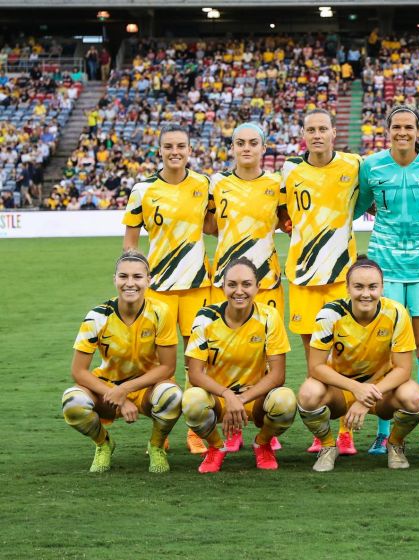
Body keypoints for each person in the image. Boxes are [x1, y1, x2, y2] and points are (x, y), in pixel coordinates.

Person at [355, 105, 419, 455]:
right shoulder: (371, 166)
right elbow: (359, 204)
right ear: (387, 130)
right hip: (385, 268)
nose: (402, 132)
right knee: (385, 352)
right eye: (396, 126)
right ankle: (383, 430)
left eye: (409, 127)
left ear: (418, 130)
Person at [122, 123, 213, 455]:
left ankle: (195, 429)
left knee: (196, 362)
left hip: (197, 286)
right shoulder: (142, 190)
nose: (175, 152)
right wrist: (133, 278)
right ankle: (160, 434)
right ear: (159, 150)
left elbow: (216, 225)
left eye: (181, 146)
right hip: (158, 288)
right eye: (169, 147)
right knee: (158, 363)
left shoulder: (203, 184)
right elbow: (131, 242)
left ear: (190, 150)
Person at [279, 108, 361, 456]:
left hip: (342, 278)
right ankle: (321, 431)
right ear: (303, 134)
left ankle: (345, 432)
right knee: (315, 360)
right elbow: (282, 214)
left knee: (342, 357)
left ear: (333, 132)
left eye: (322, 128)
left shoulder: (354, 165)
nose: (316, 134)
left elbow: (367, 201)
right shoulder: (290, 170)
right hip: (303, 277)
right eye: (310, 129)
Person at [297, 257, 419, 472]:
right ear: (347, 288)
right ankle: (328, 446)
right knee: (309, 393)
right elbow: (316, 366)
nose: (366, 294)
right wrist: (356, 388)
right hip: (341, 390)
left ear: (382, 288)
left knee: (414, 396)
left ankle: (395, 443)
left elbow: (403, 369)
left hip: (381, 392)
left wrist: (366, 398)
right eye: (358, 287)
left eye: (372, 287)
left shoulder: (396, 313)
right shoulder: (330, 314)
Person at [61, 251, 182, 473]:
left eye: (137, 277)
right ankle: (103, 444)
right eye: (123, 276)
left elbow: (167, 367)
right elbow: (78, 371)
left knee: (172, 397)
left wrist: (126, 389)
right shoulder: (97, 317)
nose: (130, 283)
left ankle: (156, 446)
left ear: (148, 280)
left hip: (147, 388)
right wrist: (118, 396)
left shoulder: (161, 312)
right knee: (72, 402)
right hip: (107, 388)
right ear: (114, 279)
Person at [207, 123, 286, 453]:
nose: (247, 148)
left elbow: (287, 220)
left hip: (267, 282)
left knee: (266, 358)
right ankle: (230, 424)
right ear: (232, 147)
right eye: (240, 143)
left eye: (254, 142)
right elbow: (209, 224)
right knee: (225, 357)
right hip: (226, 283)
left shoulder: (277, 184)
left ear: (264, 148)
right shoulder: (218, 183)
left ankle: (266, 426)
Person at [182, 258, 296, 473]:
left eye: (246, 284)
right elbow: (195, 374)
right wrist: (228, 395)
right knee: (191, 401)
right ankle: (216, 447)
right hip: (219, 400)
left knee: (285, 401)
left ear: (257, 287)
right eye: (232, 284)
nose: (239, 291)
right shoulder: (205, 317)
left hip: (254, 400)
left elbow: (278, 375)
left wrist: (241, 399)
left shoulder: (269, 317)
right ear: (222, 286)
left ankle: (262, 444)